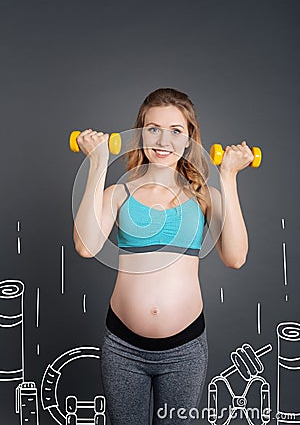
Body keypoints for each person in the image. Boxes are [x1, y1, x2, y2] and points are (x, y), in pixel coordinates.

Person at [73, 87, 254, 424]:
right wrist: (97, 163)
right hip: (123, 348)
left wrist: (228, 176)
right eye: (153, 128)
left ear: (189, 140)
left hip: (185, 351)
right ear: (140, 134)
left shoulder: (206, 196)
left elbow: (236, 256)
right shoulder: (119, 193)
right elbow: (86, 246)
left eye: (175, 131)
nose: (163, 140)